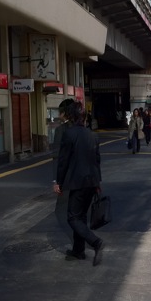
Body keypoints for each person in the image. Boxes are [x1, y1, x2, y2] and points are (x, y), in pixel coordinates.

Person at [54, 100, 105, 266]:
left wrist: (59, 182)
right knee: (81, 216)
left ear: (71, 116)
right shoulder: (92, 135)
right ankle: (78, 250)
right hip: (92, 181)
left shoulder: (69, 134)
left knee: (72, 218)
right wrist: (98, 183)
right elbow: (97, 161)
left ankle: (96, 242)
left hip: (77, 182)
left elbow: (63, 161)